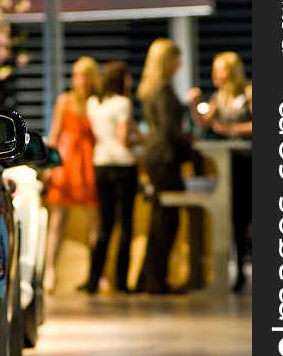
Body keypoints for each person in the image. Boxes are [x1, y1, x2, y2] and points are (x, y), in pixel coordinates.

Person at [188, 51, 252, 292]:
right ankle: (237, 273)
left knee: (247, 216)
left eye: (219, 69)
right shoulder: (219, 97)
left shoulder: (248, 93)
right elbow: (204, 123)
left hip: (249, 161)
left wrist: (233, 128)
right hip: (229, 164)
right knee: (236, 218)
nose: (215, 74)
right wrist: (194, 105)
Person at [134, 38, 192, 294]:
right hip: (165, 159)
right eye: (177, 58)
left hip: (156, 157)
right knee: (166, 221)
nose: (180, 63)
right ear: (168, 61)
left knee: (160, 219)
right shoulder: (164, 92)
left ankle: (148, 279)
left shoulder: (152, 90)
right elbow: (171, 131)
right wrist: (189, 148)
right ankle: (156, 280)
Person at [44, 56, 100, 294]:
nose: (81, 81)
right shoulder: (64, 101)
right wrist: (48, 164)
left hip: (89, 162)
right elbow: (55, 133)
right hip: (68, 162)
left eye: (85, 75)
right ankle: (49, 272)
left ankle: (95, 274)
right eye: (77, 75)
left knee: (94, 222)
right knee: (57, 221)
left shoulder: (97, 102)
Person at [83, 60, 138, 294]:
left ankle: (93, 280)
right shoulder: (123, 103)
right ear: (121, 78)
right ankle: (121, 281)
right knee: (125, 224)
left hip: (101, 163)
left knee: (105, 224)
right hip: (123, 164)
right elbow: (124, 138)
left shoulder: (93, 103)